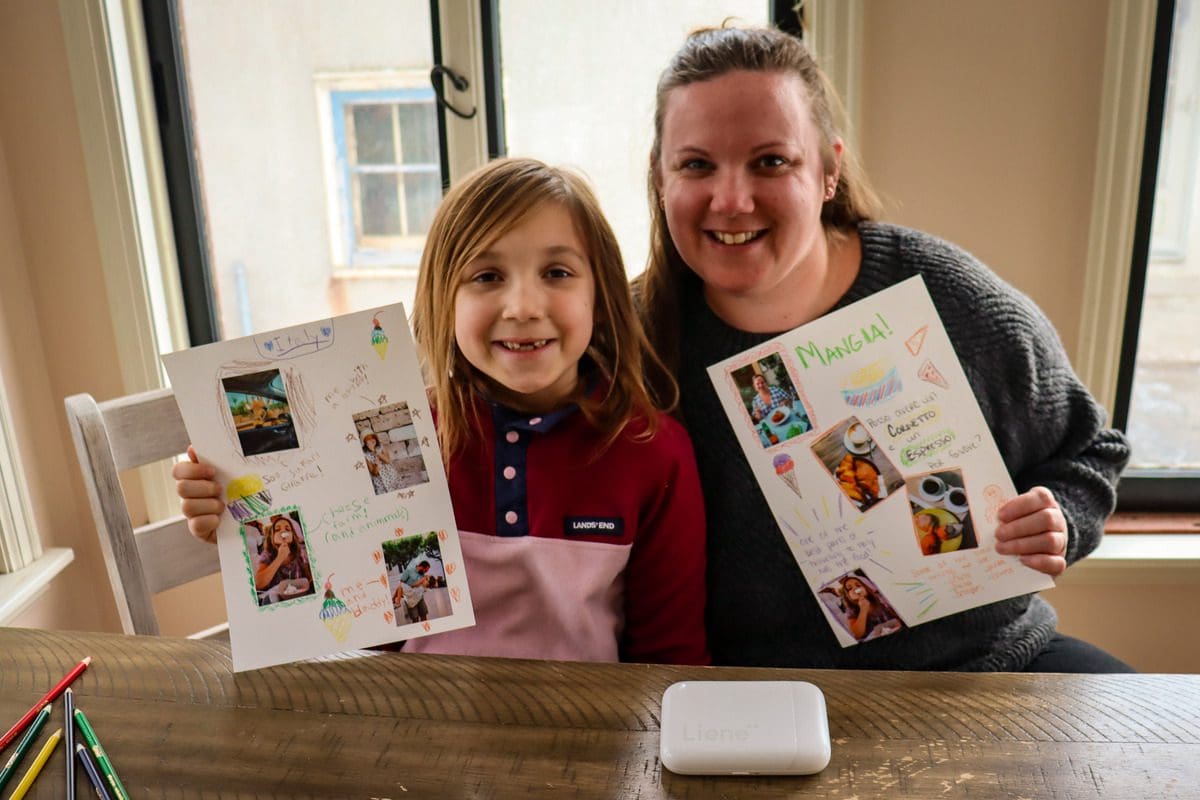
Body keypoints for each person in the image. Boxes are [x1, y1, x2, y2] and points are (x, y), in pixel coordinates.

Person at [633, 25, 1132, 672]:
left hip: (988, 663)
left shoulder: (945, 297)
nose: (732, 200)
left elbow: (1090, 452)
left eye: (771, 161)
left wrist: (1058, 517)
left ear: (829, 170)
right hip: (761, 694)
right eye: (696, 164)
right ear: (661, 176)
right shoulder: (631, 336)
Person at [175, 158, 709, 666]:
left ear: (602, 296)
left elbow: (670, 660)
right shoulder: (392, 437)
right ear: (442, 299)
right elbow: (356, 629)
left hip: (586, 742)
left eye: (557, 272)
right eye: (487, 276)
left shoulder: (652, 453)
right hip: (416, 730)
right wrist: (239, 517)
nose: (523, 306)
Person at [254, 514, 314, 599]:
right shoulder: (267, 554)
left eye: (287, 529)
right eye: (277, 530)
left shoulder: (301, 552)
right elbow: (258, 584)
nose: (283, 532)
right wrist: (280, 557)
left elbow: (309, 577)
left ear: (293, 536)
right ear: (272, 536)